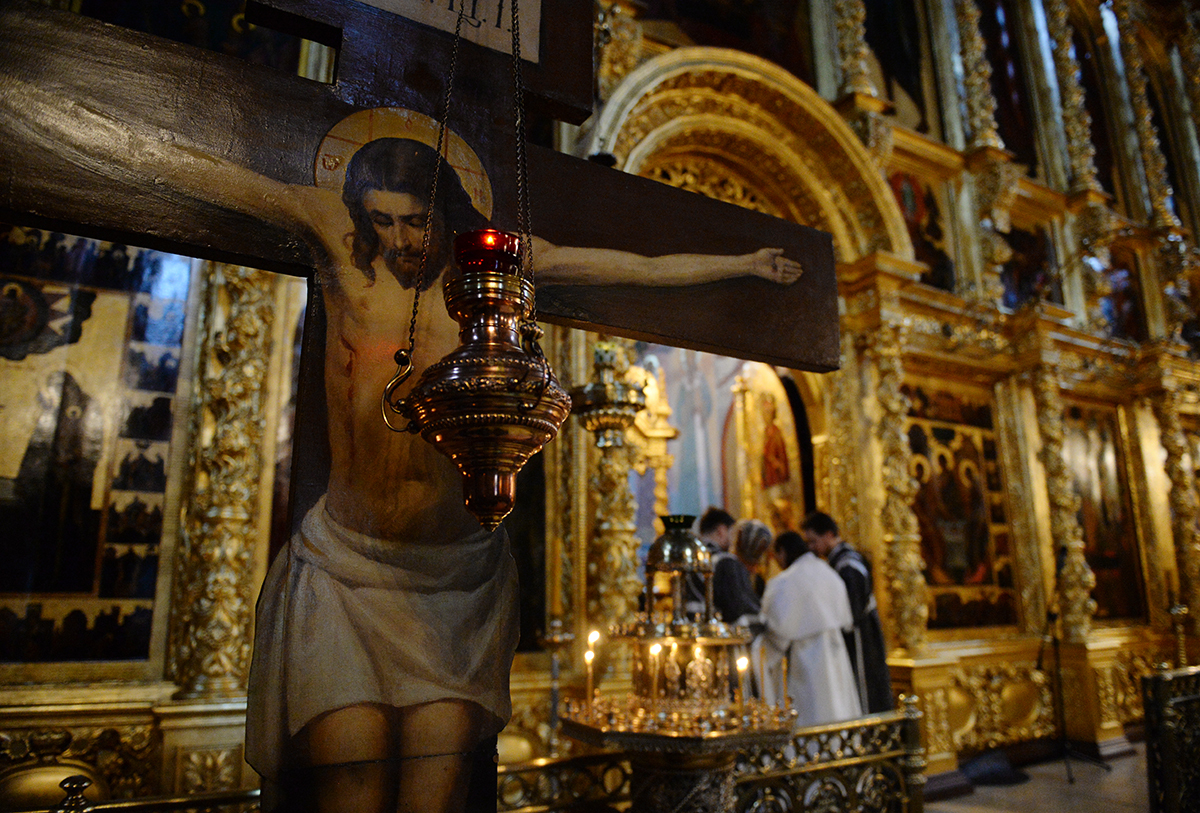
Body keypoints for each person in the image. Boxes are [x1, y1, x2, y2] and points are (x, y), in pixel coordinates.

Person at [4, 80, 805, 813]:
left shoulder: (492, 263)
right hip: (345, 569)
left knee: (435, 799)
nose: (397, 239)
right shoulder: (338, 247)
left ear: (446, 209)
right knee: (345, 789)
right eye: (380, 220)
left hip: (456, 585)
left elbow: (629, 267)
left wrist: (743, 262)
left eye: (414, 220)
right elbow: (207, 171)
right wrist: (46, 108)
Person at [756, 530, 861, 727]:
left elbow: (778, 630)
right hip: (834, 651)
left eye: (776, 555)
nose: (776, 562)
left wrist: (762, 656)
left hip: (803, 659)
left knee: (811, 711)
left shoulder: (785, 582)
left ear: (783, 552)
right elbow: (846, 617)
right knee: (836, 706)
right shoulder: (827, 572)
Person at [800, 511, 894, 714]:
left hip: (861, 640)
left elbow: (851, 611)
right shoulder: (838, 562)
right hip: (856, 637)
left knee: (865, 691)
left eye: (814, 541)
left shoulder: (849, 565)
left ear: (828, 535)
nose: (811, 548)